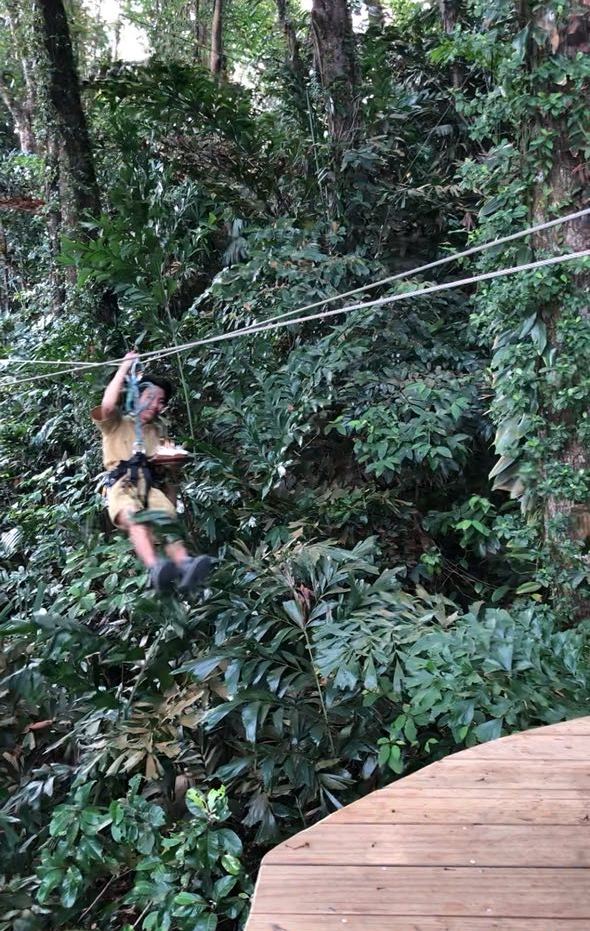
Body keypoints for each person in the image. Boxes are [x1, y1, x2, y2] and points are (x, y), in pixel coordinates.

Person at [91, 350, 211, 593]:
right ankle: (155, 567)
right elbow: (108, 404)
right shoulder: (117, 423)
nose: (156, 406)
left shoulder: (157, 431)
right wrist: (124, 368)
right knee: (135, 517)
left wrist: (172, 484)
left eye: (161, 402)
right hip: (122, 485)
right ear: (136, 396)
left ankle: (184, 565)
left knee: (166, 518)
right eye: (151, 398)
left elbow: (168, 473)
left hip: (151, 485)